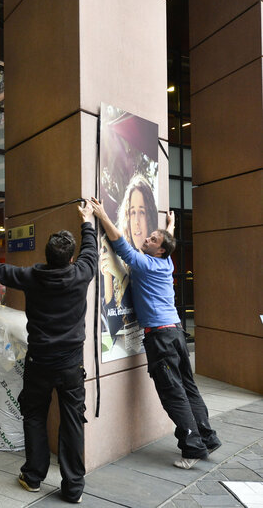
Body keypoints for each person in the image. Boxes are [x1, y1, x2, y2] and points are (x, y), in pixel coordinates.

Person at [0, 201, 97, 503]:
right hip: (71, 365)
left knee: (34, 415)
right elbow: (91, 247)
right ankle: (74, 487)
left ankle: (33, 477)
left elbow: (0, 270)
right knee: (73, 420)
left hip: (39, 362)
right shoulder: (82, 273)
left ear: (47, 257)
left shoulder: (32, 277)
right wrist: (87, 219)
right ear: (71, 258)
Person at [89, 197, 221, 469]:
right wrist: (169, 226)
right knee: (188, 387)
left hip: (161, 338)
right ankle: (207, 436)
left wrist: (102, 214)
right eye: (149, 237)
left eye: (151, 240)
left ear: (159, 250)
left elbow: (118, 243)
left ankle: (192, 447)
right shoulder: (167, 262)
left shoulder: (146, 264)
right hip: (175, 333)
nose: (146, 239)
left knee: (173, 393)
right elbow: (167, 240)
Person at [100, 174, 158, 341]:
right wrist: (108, 276)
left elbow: (142, 307)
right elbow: (114, 330)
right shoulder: (125, 260)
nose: (137, 221)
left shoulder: (154, 260)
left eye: (142, 212)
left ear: (151, 215)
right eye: (132, 213)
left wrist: (119, 273)